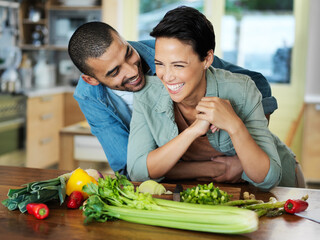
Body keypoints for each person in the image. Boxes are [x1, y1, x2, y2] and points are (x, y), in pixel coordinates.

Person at [68, 21, 277, 179]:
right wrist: (220, 167)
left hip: (234, 172)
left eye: (128, 53)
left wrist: (247, 145)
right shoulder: (88, 96)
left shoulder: (167, 51)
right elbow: (128, 168)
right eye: (115, 72)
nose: (133, 71)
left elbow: (255, 82)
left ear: (124, 41)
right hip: (178, 177)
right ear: (91, 79)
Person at [127, 6, 304, 190]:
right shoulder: (147, 93)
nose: (167, 76)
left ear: (207, 59)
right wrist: (195, 134)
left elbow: (268, 178)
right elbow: (138, 171)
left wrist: (234, 125)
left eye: (178, 65)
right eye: (160, 64)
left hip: (283, 191)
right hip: (205, 193)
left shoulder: (242, 89)